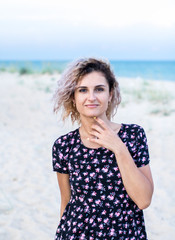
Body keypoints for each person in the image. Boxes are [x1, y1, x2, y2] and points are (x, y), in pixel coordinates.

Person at [52, 58, 154, 240]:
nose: (91, 97)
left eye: (99, 89)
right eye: (82, 90)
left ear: (111, 94)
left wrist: (118, 147)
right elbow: (66, 204)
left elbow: (144, 200)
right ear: (73, 98)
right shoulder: (64, 146)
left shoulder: (133, 135)